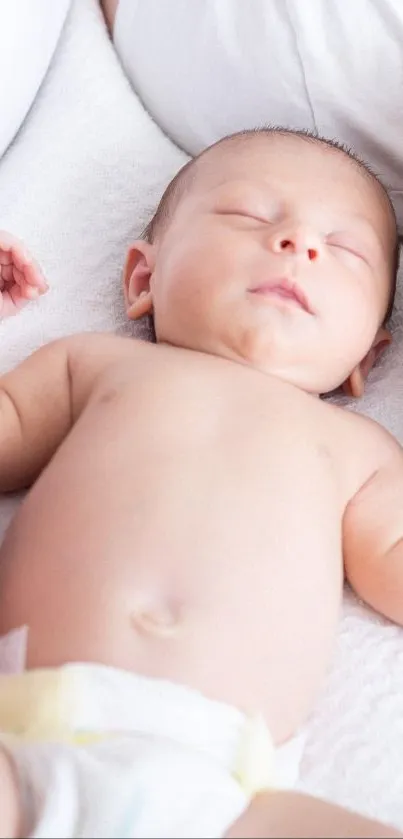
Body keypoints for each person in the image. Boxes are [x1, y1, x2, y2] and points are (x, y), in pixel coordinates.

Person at [0, 128, 400, 838]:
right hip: (27, 743)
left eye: (344, 250)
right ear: (142, 280)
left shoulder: (359, 449)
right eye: (249, 216)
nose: (299, 242)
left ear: (364, 357)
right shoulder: (91, 366)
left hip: (222, 795)